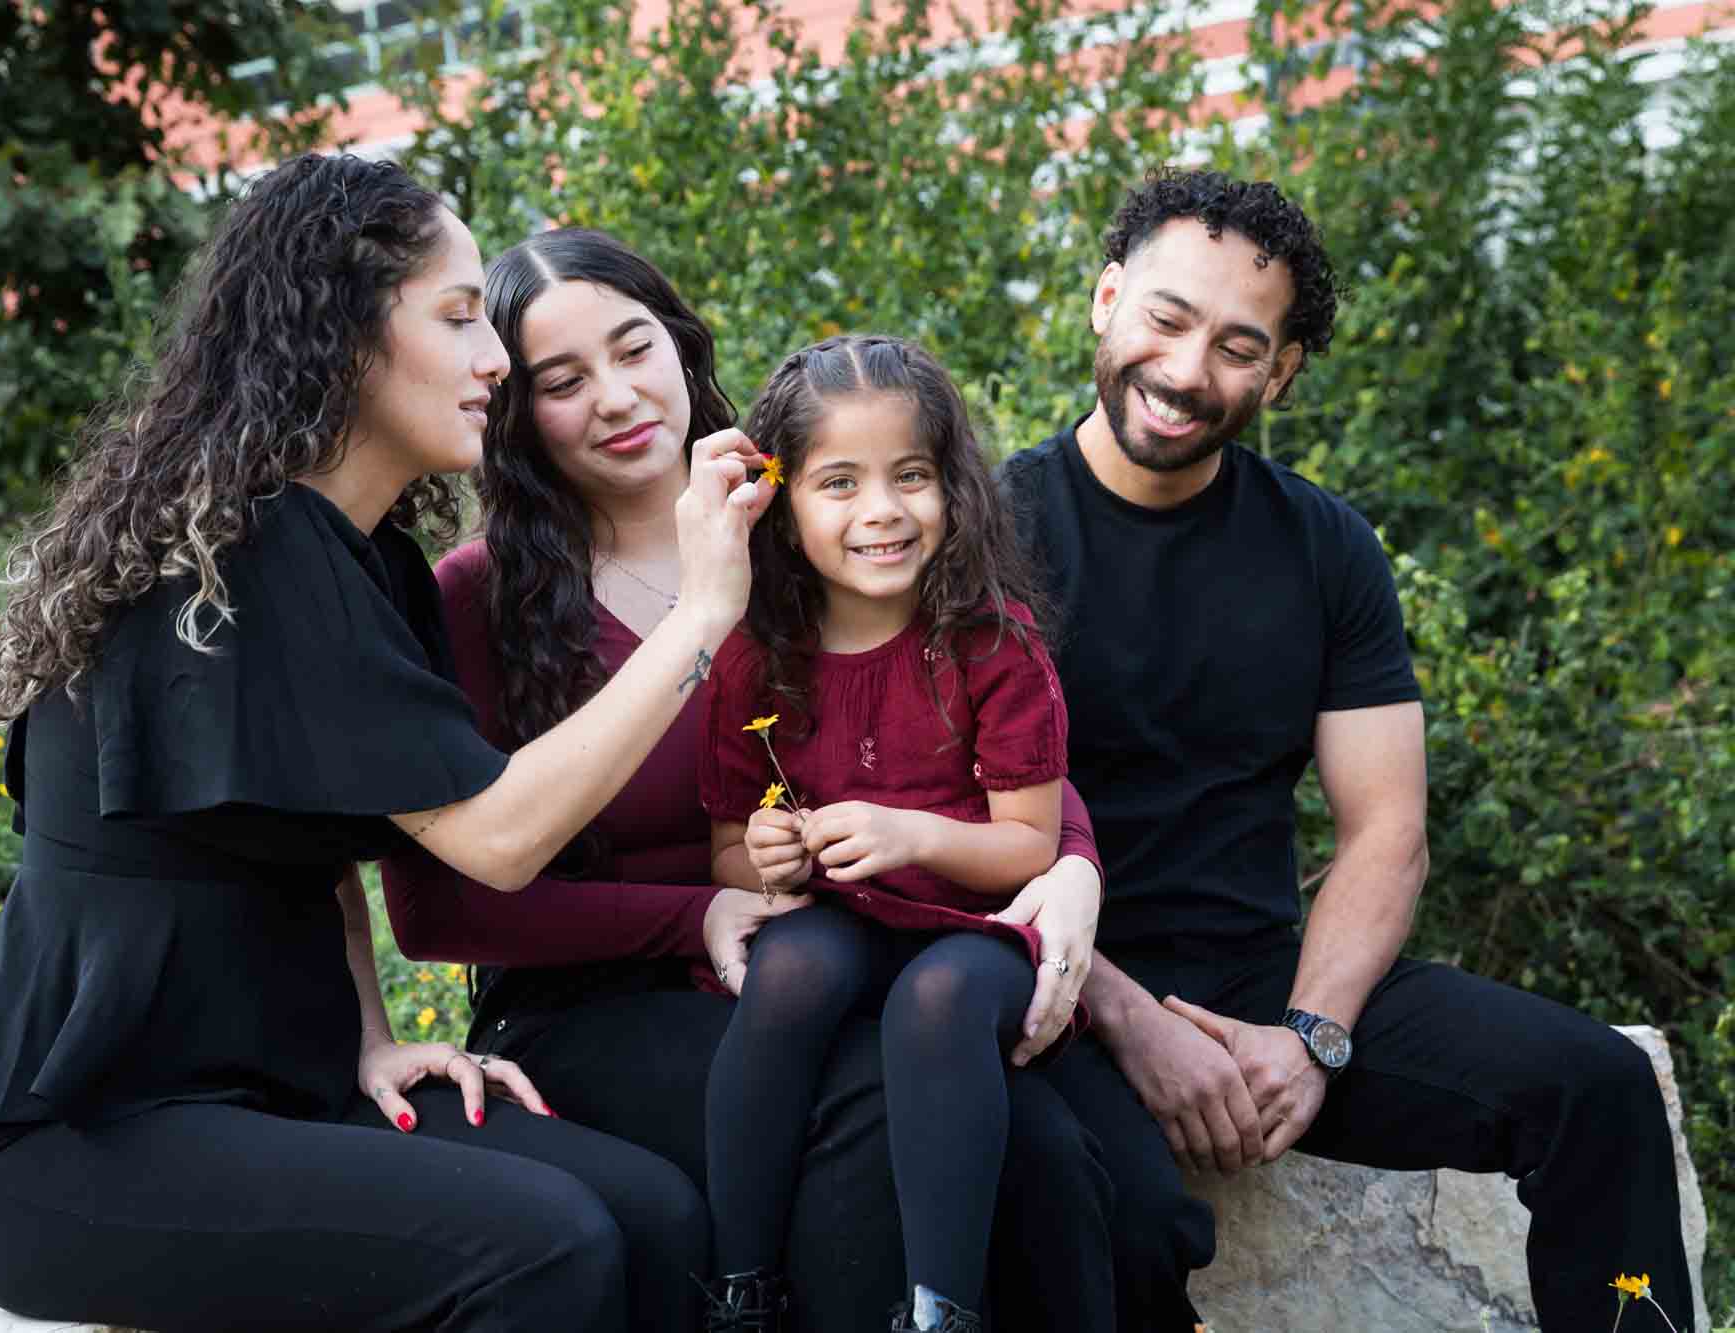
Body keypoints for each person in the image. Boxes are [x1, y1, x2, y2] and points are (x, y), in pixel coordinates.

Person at [0, 153, 777, 1333]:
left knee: (657, 1213)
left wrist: (370, 1037)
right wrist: (703, 612)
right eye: (460, 318)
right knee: (545, 1248)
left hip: (287, 1088)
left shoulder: (363, 561)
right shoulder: (247, 553)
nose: (497, 362)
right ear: (345, 330)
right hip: (84, 1136)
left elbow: (313, 843)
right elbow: (503, 838)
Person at [1000, 165, 1696, 1332]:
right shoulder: (988, 533)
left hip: (1261, 979)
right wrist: (1123, 1017)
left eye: (1235, 345)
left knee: (1597, 1089)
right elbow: (947, 832)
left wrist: (1309, 1039)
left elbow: (1385, 831)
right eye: (1165, 319)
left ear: (1278, 372)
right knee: (1116, 1221)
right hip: (1049, 990)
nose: (1183, 371)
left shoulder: (1323, 545)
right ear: (1105, 300)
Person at [380, 229, 1113, 1333]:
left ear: (678, 343)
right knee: (866, 1110)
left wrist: (1072, 867)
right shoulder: (479, 597)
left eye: (633, 348)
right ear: (514, 410)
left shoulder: (808, 515)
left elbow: (971, 716)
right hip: (602, 1003)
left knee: (1048, 1144)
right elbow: (437, 907)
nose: (618, 397)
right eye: (562, 381)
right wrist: (699, 911)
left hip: (850, 948)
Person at [695, 334, 1112, 1333]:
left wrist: (907, 833)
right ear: (783, 507)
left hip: (976, 931)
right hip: (841, 923)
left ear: (953, 489)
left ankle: (939, 1310)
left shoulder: (991, 641)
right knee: (792, 967)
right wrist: (771, 856)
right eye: (837, 482)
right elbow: (723, 853)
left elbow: (1028, 847)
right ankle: (740, 1288)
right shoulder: (757, 656)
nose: (880, 510)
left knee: (935, 997)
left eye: (909, 476)